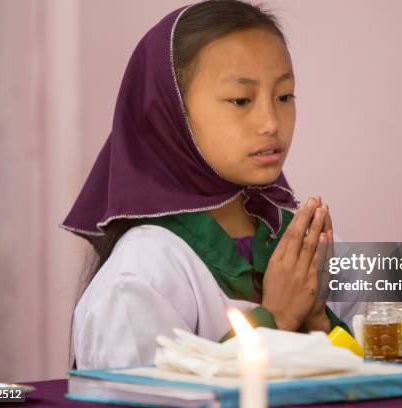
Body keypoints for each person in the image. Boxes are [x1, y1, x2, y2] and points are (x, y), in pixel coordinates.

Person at [62, 0, 352, 370]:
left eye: (284, 96)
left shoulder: (310, 246)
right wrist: (275, 318)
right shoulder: (142, 275)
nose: (270, 122)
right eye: (241, 100)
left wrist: (318, 321)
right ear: (169, 112)